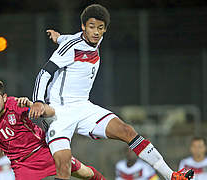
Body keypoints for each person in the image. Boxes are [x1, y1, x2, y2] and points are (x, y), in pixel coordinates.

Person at [29, 4, 194, 180]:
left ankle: (171, 176)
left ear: (105, 29)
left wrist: (59, 37)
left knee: (127, 131)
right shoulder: (70, 47)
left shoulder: (94, 39)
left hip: (83, 107)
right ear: (83, 26)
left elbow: (75, 38)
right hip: (58, 112)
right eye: (91, 27)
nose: (96, 32)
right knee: (64, 164)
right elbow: (44, 73)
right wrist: (38, 101)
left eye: (100, 28)